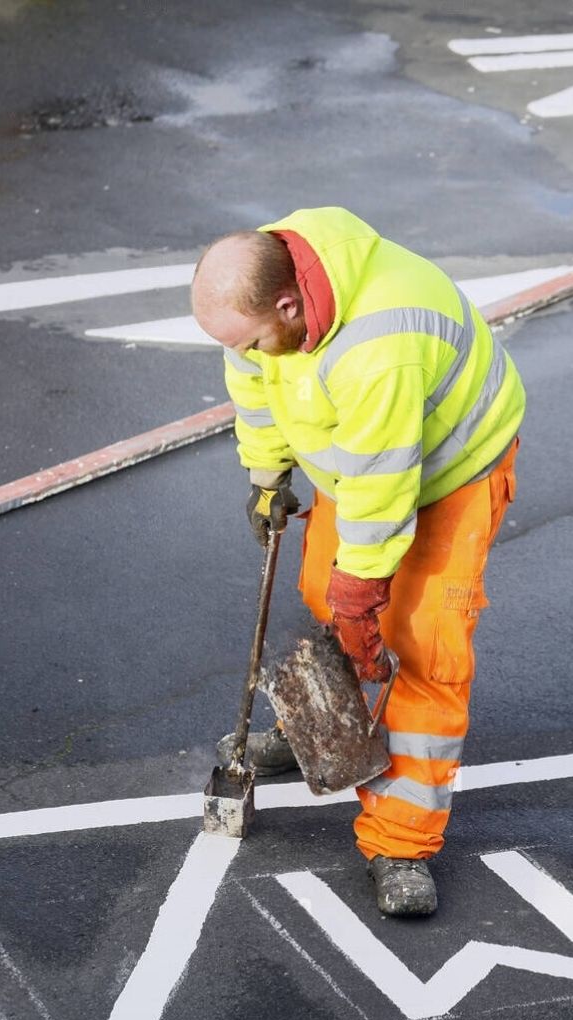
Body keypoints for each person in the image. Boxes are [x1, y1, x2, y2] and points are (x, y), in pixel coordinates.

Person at [191, 206, 524, 918]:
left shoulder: (381, 341)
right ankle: (323, 723)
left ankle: (399, 841)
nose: (246, 354)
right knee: (325, 591)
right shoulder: (259, 301)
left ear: (287, 304)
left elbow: (385, 484)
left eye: (252, 342)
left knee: (419, 645)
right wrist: (266, 475)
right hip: (360, 462)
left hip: (446, 472)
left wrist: (361, 591)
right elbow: (255, 391)